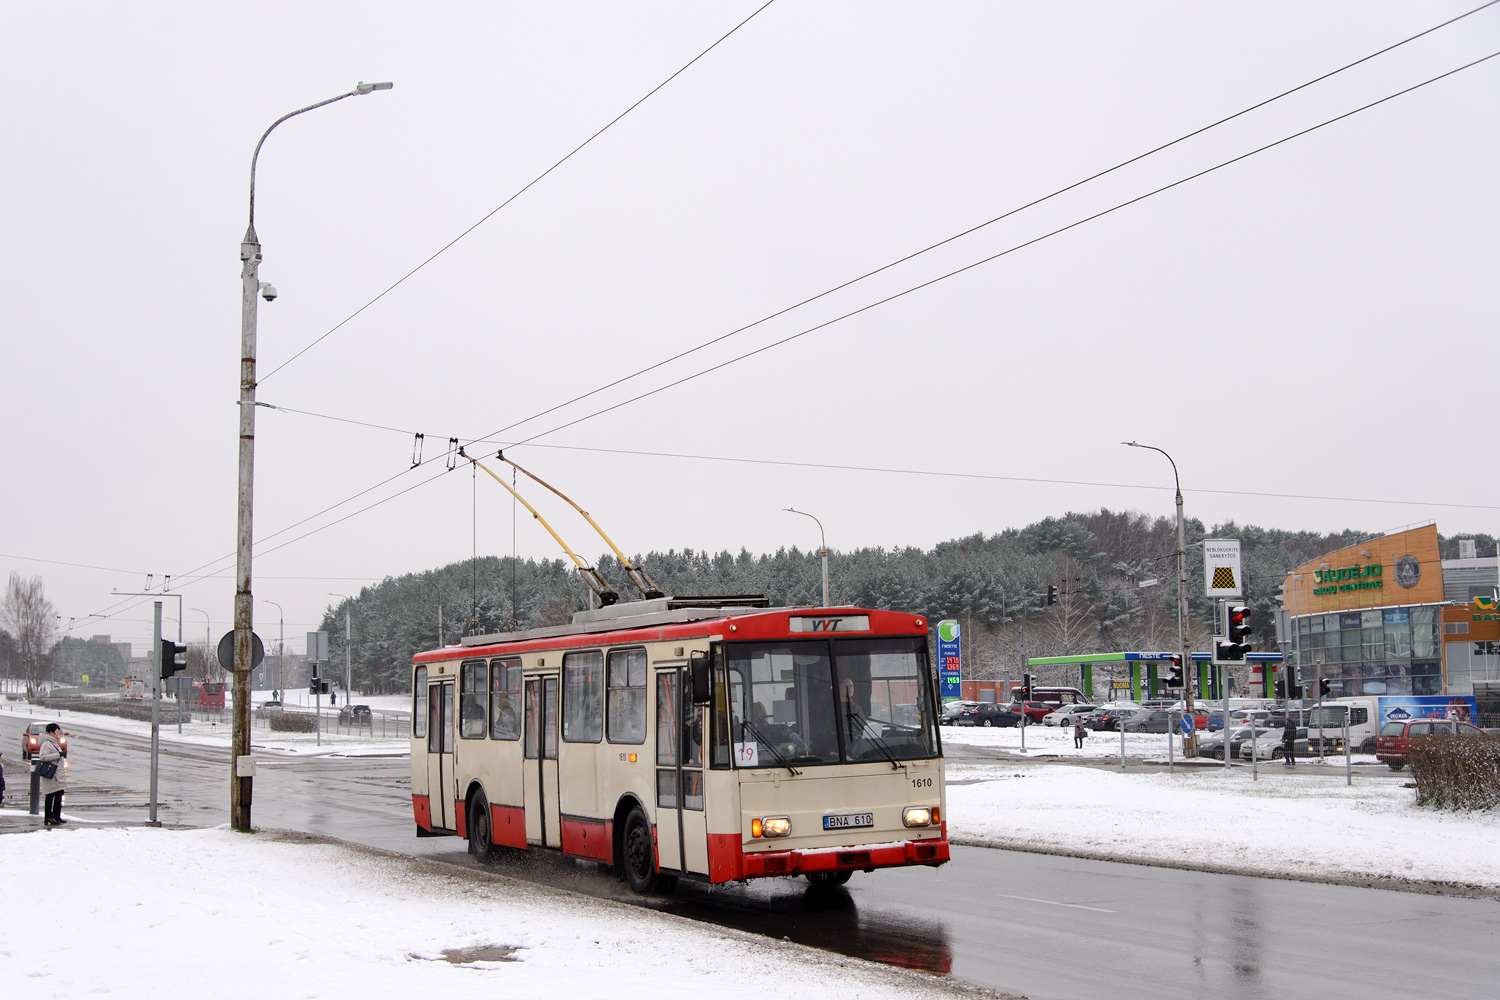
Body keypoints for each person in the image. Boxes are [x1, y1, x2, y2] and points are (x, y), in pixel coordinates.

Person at [37, 723, 67, 825]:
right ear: (51, 732)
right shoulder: (46, 743)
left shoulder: (53, 742)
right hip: (51, 774)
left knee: (59, 794)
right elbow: (43, 757)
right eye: (56, 732)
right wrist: (58, 754)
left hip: (57, 774)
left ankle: (56, 816)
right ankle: (48, 817)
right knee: (50, 795)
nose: (58, 734)